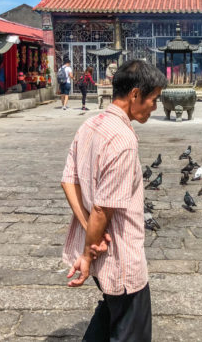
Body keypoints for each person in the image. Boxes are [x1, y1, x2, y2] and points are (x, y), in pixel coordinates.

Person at [61, 60, 167, 341]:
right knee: (131, 330)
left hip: (101, 249)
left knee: (110, 313)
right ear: (134, 95)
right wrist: (86, 253)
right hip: (121, 258)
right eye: (153, 100)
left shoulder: (90, 124)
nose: (155, 107)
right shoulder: (123, 141)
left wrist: (86, 231)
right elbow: (101, 208)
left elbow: (68, 181)